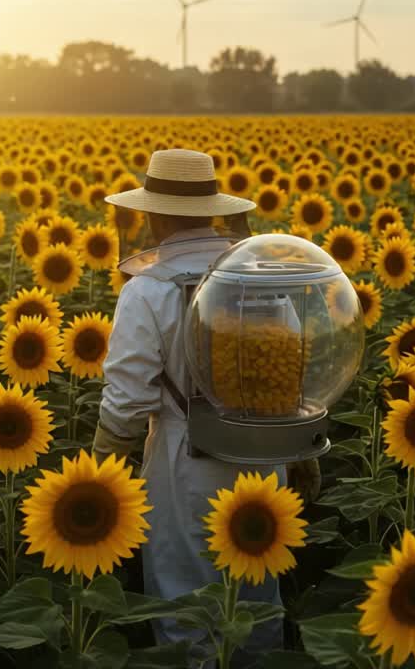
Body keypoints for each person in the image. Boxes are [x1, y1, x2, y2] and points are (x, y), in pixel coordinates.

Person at [92, 149, 319, 661]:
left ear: (151, 215)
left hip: (183, 463)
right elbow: (290, 375)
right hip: (264, 459)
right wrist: (302, 454)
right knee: (256, 601)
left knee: (186, 607)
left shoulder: (147, 290)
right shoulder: (258, 276)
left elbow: (127, 400)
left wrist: (100, 476)